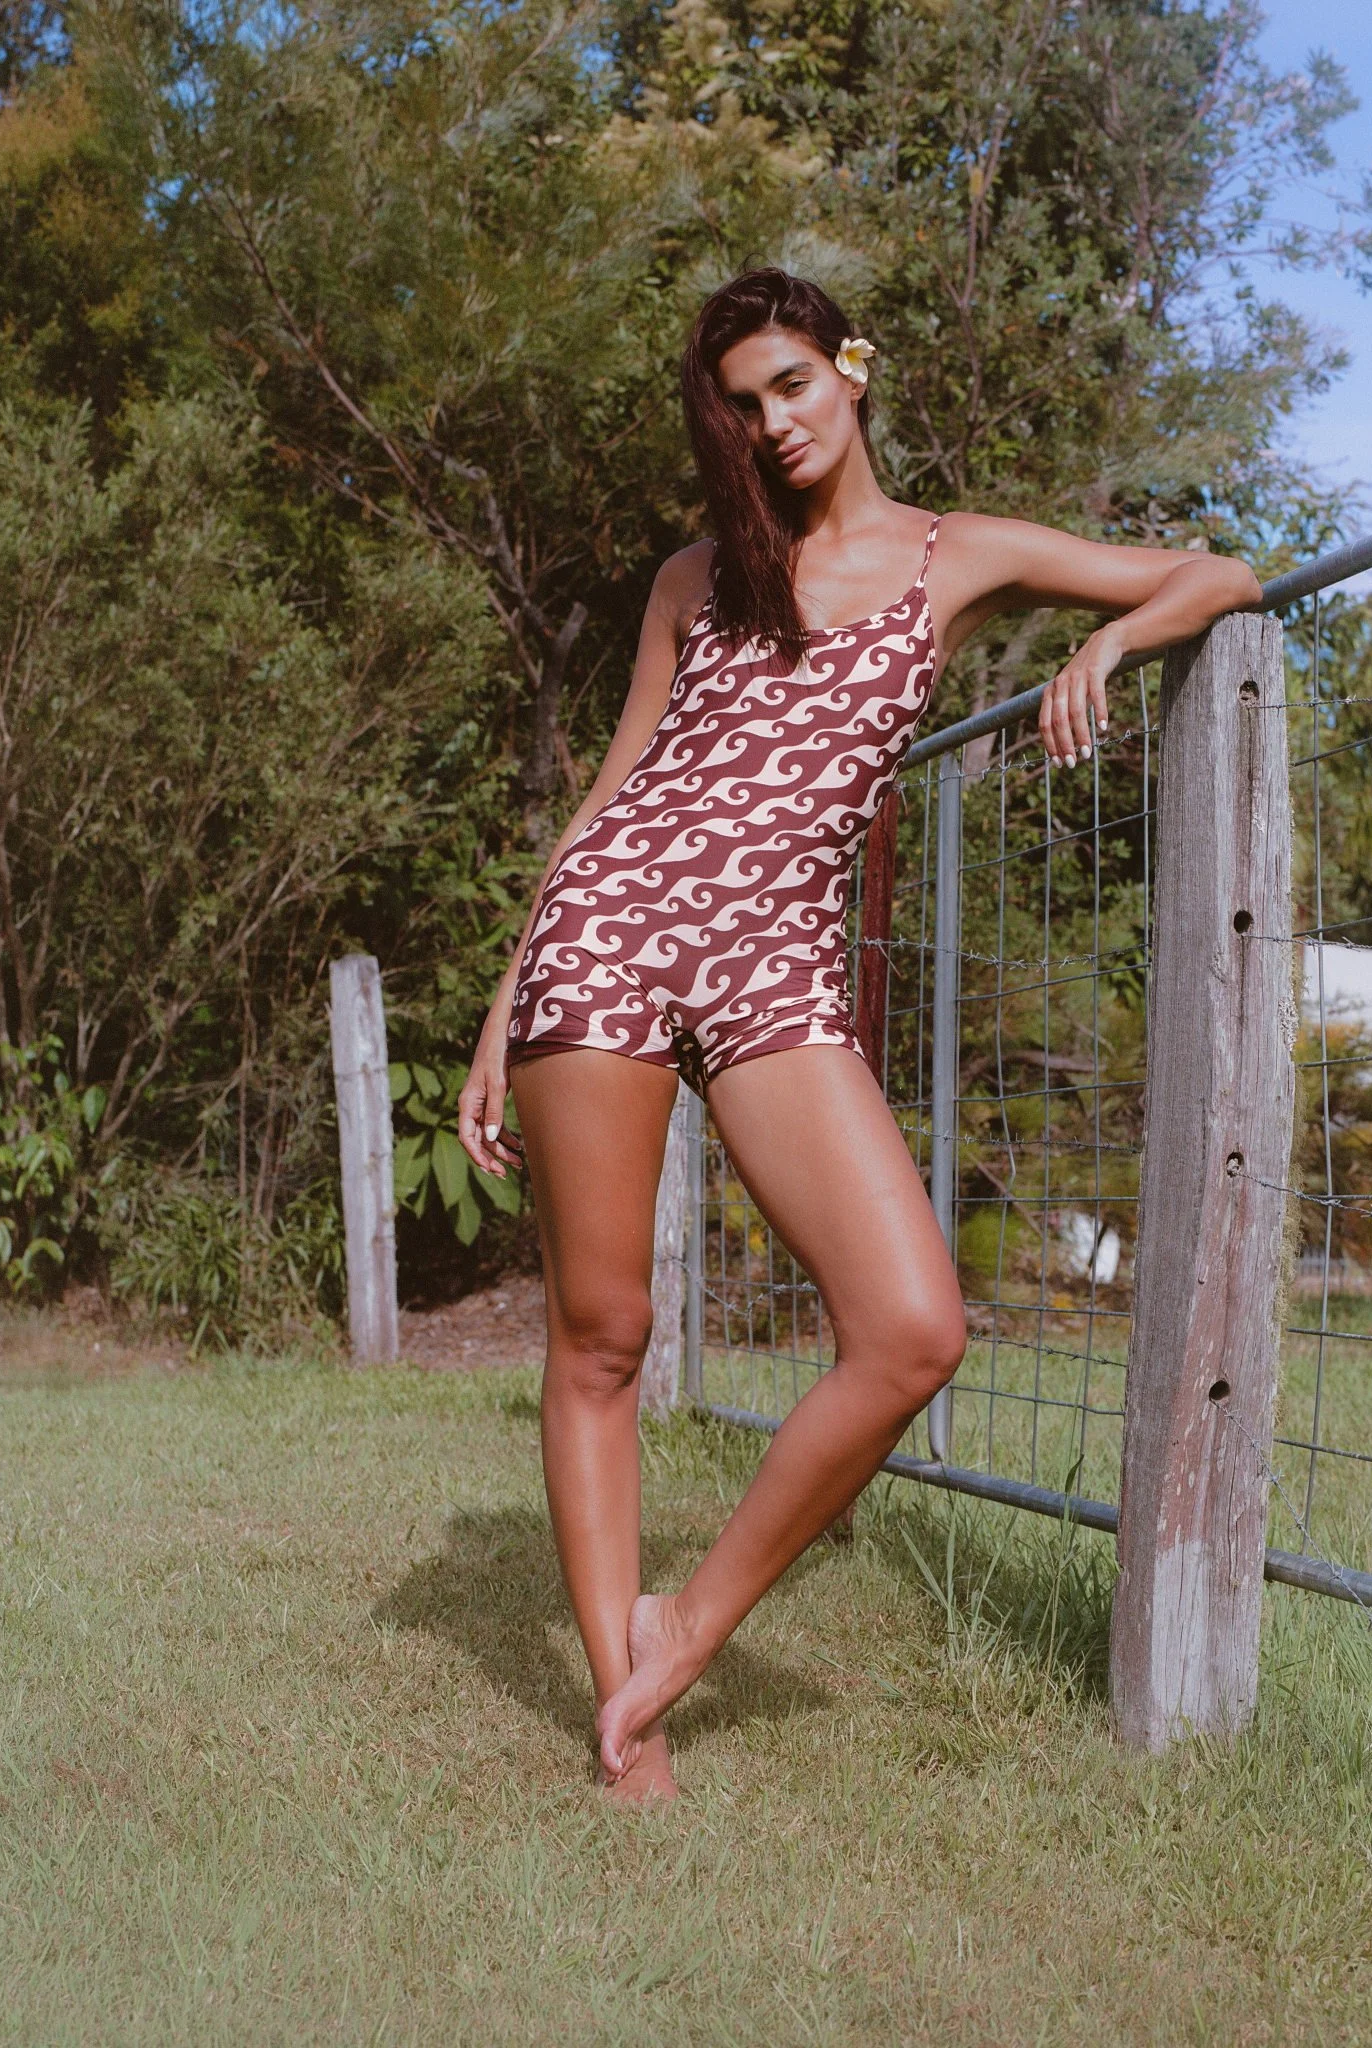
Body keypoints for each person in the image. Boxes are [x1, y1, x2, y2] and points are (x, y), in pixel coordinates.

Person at [456, 266, 1261, 1801]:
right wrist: (505, 1014)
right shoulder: (697, 579)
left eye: (792, 387)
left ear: (851, 373)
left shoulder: (955, 556)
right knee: (601, 1334)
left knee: (909, 1329)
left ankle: (683, 1624)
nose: (772, 425)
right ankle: (629, 1733)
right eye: (742, 408)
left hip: (778, 969)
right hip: (609, 934)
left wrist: (1104, 649)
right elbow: (610, 794)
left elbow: (1213, 569)